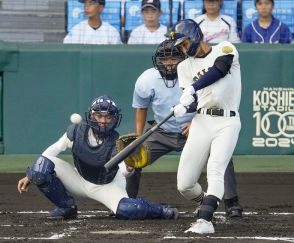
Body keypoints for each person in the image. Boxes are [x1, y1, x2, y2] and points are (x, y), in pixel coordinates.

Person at [127, 39, 243, 218]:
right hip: (162, 133)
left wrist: (194, 121)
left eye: (173, 58)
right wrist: (138, 135)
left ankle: (232, 202)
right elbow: (141, 108)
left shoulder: (196, 67)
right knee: (134, 157)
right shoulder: (147, 78)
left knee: (221, 156)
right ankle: (128, 202)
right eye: (165, 59)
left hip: (193, 128)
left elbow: (203, 98)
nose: (169, 63)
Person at [17, 95, 178, 220]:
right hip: (78, 179)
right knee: (38, 168)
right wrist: (29, 176)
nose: (103, 121)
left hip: (106, 186)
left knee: (129, 210)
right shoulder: (76, 132)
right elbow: (53, 150)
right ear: (92, 117)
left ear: (114, 119)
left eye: (108, 117)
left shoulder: (117, 142)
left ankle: (161, 210)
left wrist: (129, 167)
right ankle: (66, 207)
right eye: (99, 116)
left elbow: (123, 171)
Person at [169, 19, 242, 234]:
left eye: (184, 43)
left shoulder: (225, 48)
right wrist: (184, 106)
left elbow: (219, 70)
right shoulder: (184, 66)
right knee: (185, 184)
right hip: (201, 121)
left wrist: (192, 88)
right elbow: (193, 99)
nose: (183, 49)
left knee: (215, 169)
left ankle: (205, 221)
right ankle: (207, 201)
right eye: (180, 47)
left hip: (227, 121)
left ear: (196, 35)